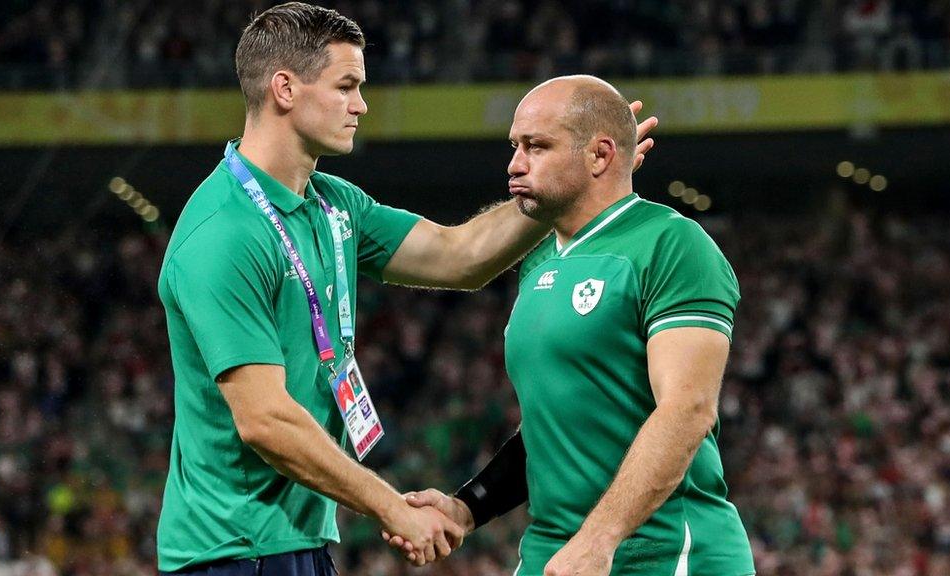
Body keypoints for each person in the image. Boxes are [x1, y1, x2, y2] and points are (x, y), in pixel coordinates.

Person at [156, 4, 658, 575]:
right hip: (232, 553)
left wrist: (566, 183)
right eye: (346, 86)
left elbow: (460, 255)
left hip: (294, 544)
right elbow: (264, 420)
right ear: (285, 89)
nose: (361, 105)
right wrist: (392, 508)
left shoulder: (333, 204)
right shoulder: (224, 232)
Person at [391, 75, 754, 575]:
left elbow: (688, 409)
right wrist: (468, 506)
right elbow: (551, 427)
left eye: (537, 147)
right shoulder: (540, 263)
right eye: (515, 146)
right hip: (555, 554)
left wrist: (598, 539)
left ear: (600, 156)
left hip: (668, 554)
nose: (515, 164)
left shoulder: (672, 244)